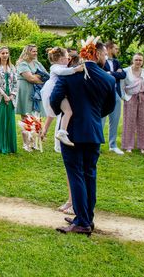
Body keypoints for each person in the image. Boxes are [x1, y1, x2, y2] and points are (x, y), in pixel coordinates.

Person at [51, 38, 116, 235]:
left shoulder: (70, 75)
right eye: (104, 54)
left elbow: (55, 98)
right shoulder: (108, 79)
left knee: (76, 175)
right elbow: (109, 107)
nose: (106, 57)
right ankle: (86, 217)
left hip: (71, 131)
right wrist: (94, 116)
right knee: (90, 174)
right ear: (96, 54)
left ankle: (82, 222)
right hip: (94, 131)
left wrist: (64, 111)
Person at [40, 47, 84, 148]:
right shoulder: (55, 67)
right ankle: (62, 132)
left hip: (58, 92)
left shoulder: (61, 66)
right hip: (53, 92)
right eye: (67, 58)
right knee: (68, 112)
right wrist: (75, 69)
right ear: (61, 59)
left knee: (68, 111)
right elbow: (62, 72)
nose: (68, 60)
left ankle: (62, 132)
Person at [15, 44, 45, 151]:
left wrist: (36, 77)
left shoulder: (37, 63)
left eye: (36, 51)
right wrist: (37, 77)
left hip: (36, 92)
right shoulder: (22, 64)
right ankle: (26, 144)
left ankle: (33, 143)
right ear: (27, 52)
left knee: (35, 117)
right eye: (33, 51)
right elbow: (30, 78)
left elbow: (45, 75)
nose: (36, 53)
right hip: (25, 91)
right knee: (26, 118)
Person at [0, 46, 18, 154]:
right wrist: (5, 96)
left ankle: (10, 146)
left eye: (7, 53)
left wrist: (11, 96)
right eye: (3, 53)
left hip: (10, 97)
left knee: (9, 121)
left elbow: (16, 83)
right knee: (0, 121)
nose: (5, 55)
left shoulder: (13, 67)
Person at [121, 53, 144, 154]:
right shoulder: (125, 71)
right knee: (129, 122)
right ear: (132, 60)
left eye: (140, 60)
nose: (138, 62)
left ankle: (143, 146)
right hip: (130, 98)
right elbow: (121, 86)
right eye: (136, 60)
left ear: (143, 62)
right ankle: (128, 146)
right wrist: (125, 98)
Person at [100, 41, 126, 155]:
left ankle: (113, 145)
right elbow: (102, 74)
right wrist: (114, 73)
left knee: (114, 120)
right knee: (101, 120)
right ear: (109, 48)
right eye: (115, 48)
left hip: (116, 93)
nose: (117, 51)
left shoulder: (116, 62)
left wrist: (111, 73)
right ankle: (97, 144)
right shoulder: (100, 60)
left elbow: (123, 74)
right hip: (103, 93)